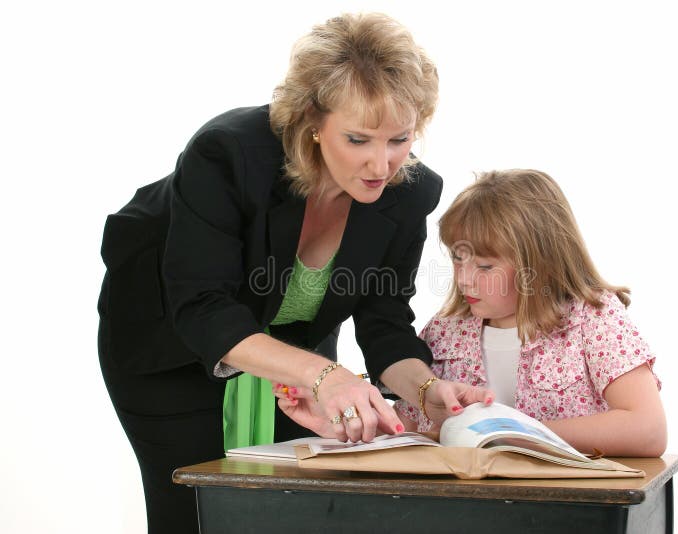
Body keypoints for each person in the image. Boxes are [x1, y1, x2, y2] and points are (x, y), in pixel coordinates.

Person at [98, 13, 489, 534]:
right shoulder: (228, 153)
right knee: (194, 513)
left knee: (292, 510)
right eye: (358, 139)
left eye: (399, 139)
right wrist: (324, 374)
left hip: (293, 348)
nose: (382, 164)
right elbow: (203, 308)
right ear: (312, 119)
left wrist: (425, 389)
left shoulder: (410, 192)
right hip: (170, 340)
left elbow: (384, 321)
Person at [391, 169, 667, 457]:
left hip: (565, 501)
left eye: (485, 267)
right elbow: (405, 429)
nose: (463, 279)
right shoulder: (444, 331)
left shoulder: (593, 319)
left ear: (539, 266)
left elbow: (648, 430)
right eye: (458, 260)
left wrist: (515, 434)